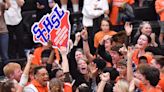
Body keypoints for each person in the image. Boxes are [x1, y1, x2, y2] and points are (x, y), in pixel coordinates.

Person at [0, 0, 10, 65]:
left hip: (3, 31)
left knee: (5, 55)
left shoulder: (1, 4)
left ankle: (7, 73)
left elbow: (8, 6)